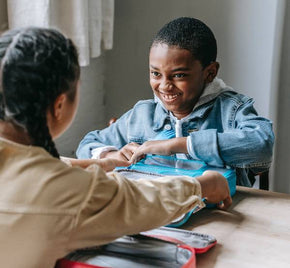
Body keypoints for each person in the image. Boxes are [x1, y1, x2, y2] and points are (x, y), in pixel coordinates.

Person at [0, 27, 231, 268]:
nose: (165, 86)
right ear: (59, 105)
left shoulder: (231, 107)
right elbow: (142, 201)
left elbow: (38, 165)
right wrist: (202, 186)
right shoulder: (68, 191)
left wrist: (102, 163)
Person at [76, 17, 274, 187]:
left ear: (210, 72)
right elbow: (86, 145)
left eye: (179, 75)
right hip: (159, 218)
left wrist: (177, 145)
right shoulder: (142, 115)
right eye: (156, 73)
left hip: (221, 217)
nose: (165, 86)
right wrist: (109, 156)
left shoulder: (230, 111)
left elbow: (262, 145)